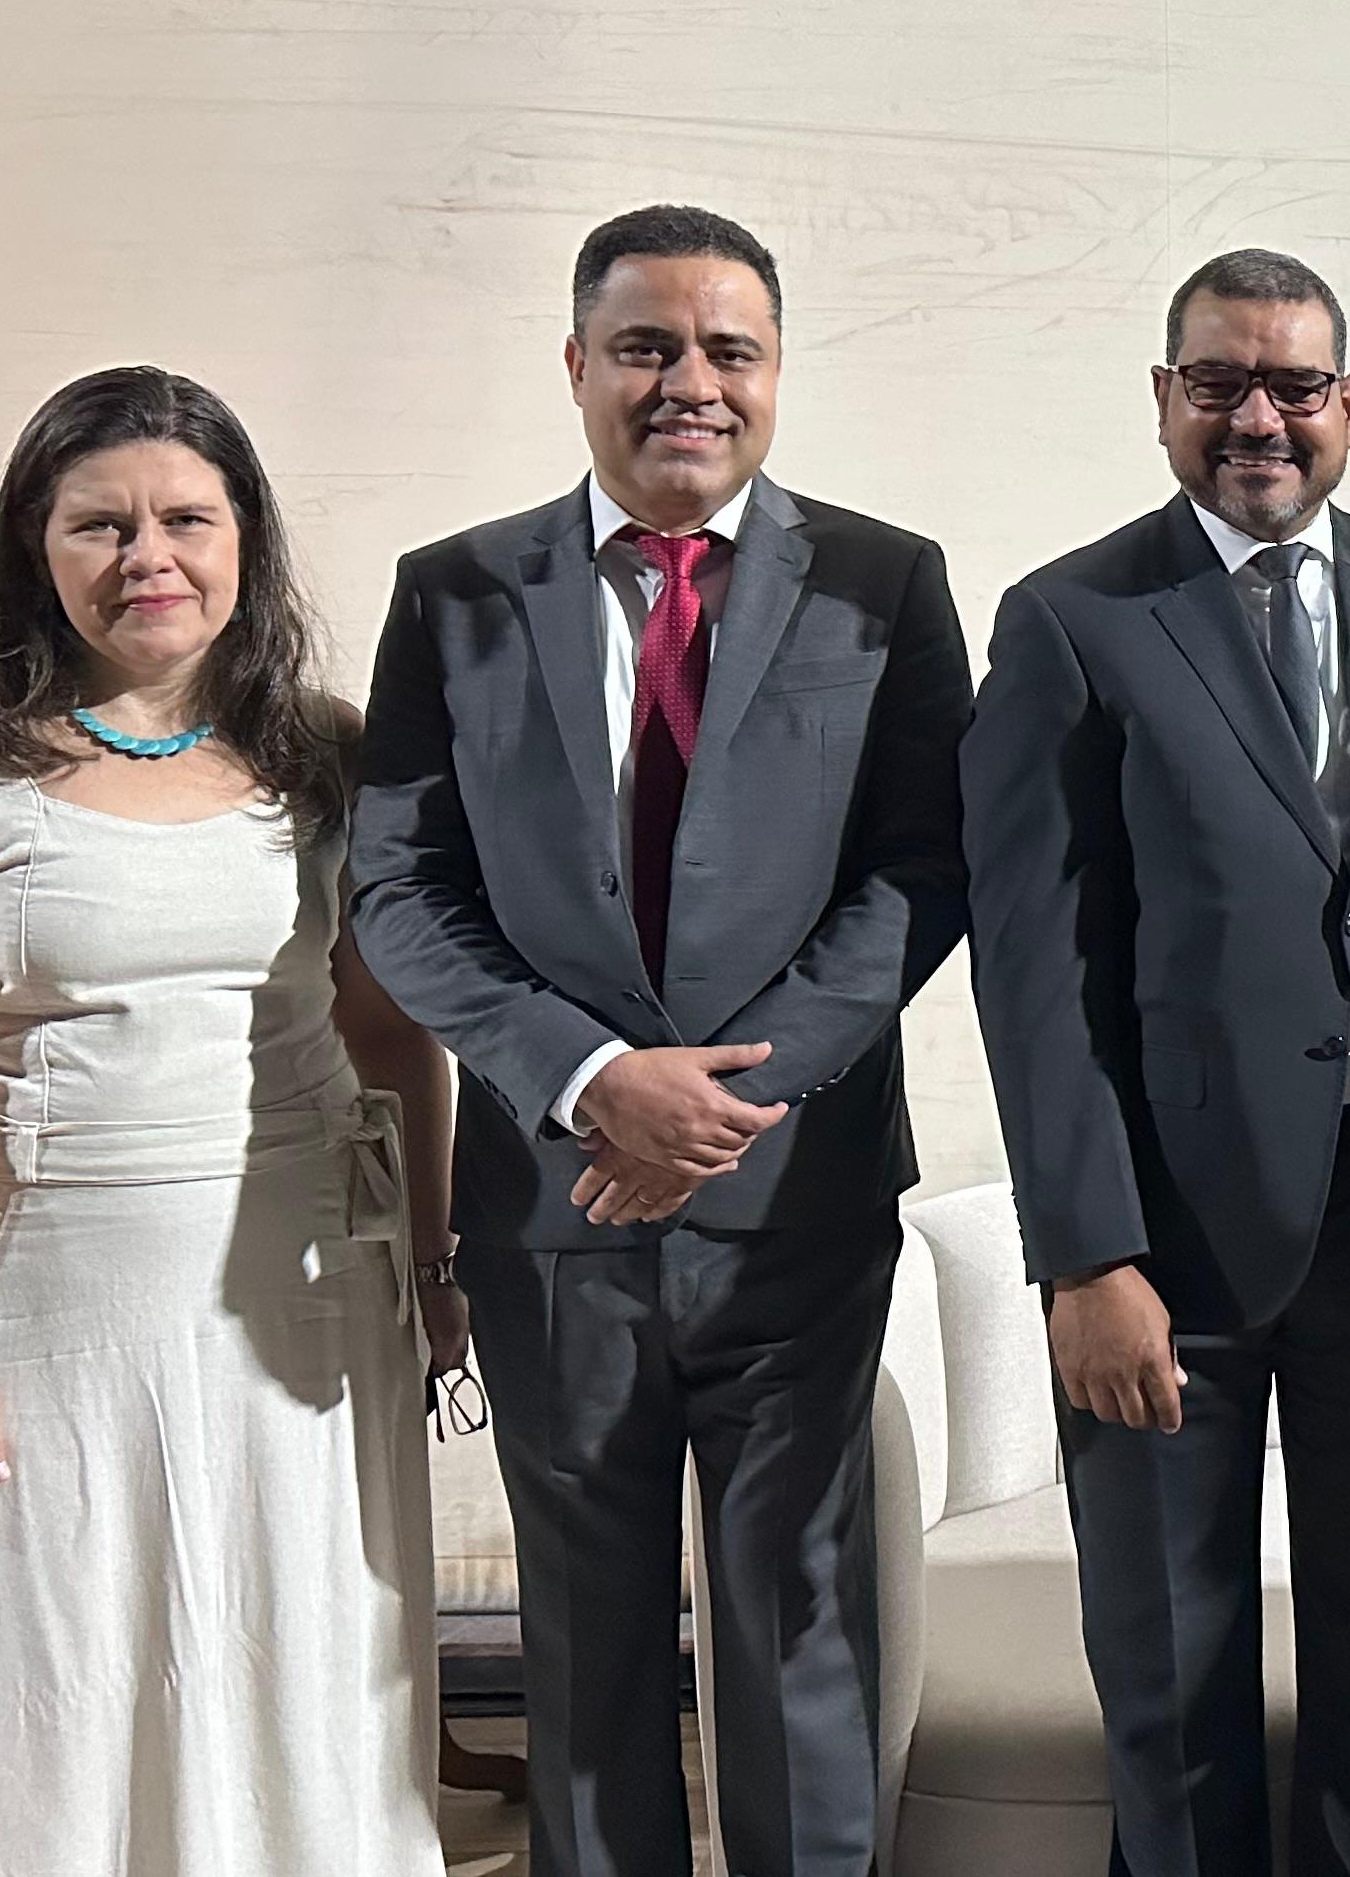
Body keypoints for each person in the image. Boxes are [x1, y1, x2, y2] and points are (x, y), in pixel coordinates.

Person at [351, 205, 972, 1877]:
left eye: (727, 350)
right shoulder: (456, 593)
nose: (689, 381)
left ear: (774, 373)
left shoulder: (885, 582)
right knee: (585, 1645)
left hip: (800, 1205)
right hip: (554, 1211)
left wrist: (723, 1101)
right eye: (646, 346)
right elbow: (398, 888)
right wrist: (590, 1082)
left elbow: (926, 869)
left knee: (800, 1631)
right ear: (577, 365)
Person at [961, 248, 1350, 1877]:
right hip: (1168, 1240)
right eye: (1219, 381)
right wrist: (1084, 1254)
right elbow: (1036, 971)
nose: (1258, 417)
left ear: (1349, 404)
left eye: (1293, 384)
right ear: (1164, 398)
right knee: (1171, 1666)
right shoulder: (1070, 622)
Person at [0, 366, 460, 1875]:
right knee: (65, 1698)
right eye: (100, 525)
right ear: (33, 549)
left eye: (186, 519)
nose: (147, 556)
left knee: (297, 1685)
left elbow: (387, 1036)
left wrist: (436, 1266)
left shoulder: (326, 752)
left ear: (247, 541)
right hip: (35, 1329)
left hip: (302, 1322)